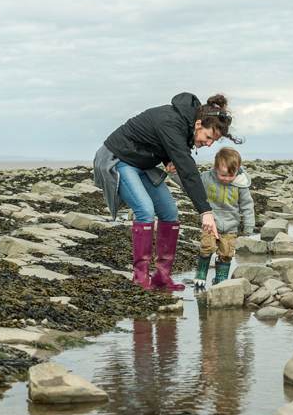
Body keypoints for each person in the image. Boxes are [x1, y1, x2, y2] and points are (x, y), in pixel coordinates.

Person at [93, 93, 242, 290]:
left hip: (142, 164)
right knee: (145, 210)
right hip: (119, 159)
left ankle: (162, 277)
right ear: (198, 124)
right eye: (208, 137)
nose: (208, 144)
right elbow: (188, 170)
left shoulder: (185, 127)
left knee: (170, 213)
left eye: (213, 141)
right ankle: (140, 277)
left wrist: (167, 159)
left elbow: (170, 153)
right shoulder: (172, 122)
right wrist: (205, 212)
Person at [192, 147, 255, 289]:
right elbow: (191, 184)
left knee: (227, 252)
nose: (227, 179)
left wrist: (249, 225)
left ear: (238, 170)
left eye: (230, 175)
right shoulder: (206, 178)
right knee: (207, 247)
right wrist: (174, 174)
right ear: (215, 168)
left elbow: (247, 205)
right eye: (223, 175)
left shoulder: (240, 184)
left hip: (230, 226)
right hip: (210, 222)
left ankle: (221, 278)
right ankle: (201, 272)